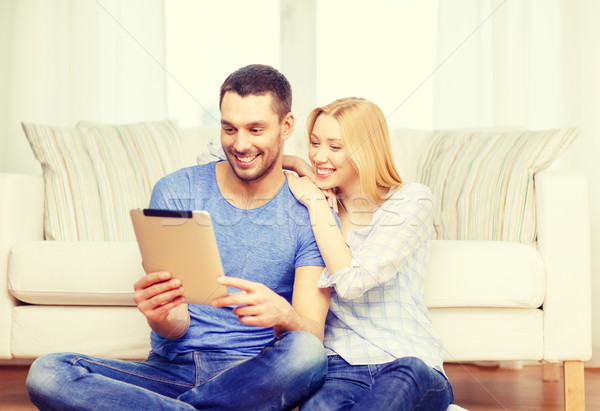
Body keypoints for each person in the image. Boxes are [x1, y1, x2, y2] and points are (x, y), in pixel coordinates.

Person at [26, 64, 330, 410]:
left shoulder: (309, 211)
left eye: (255, 129)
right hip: (169, 373)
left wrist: (284, 315)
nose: (240, 144)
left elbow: (311, 334)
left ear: (286, 126)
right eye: (229, 129)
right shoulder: (176, 190)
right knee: (47, 372)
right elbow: (175, 327)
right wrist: (160, 316)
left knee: (307, 353)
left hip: (251, 376)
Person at [284, 97, 454, 410]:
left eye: (335, 147)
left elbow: (351, 282)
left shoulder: (411, 201)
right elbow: (217, 159)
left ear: (365, 150)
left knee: (403, 379)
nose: (319, 155)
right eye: (314, 143)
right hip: (340, 368)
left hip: (405, 361)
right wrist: (295, 164)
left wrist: (316, 202)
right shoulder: (312, 201)